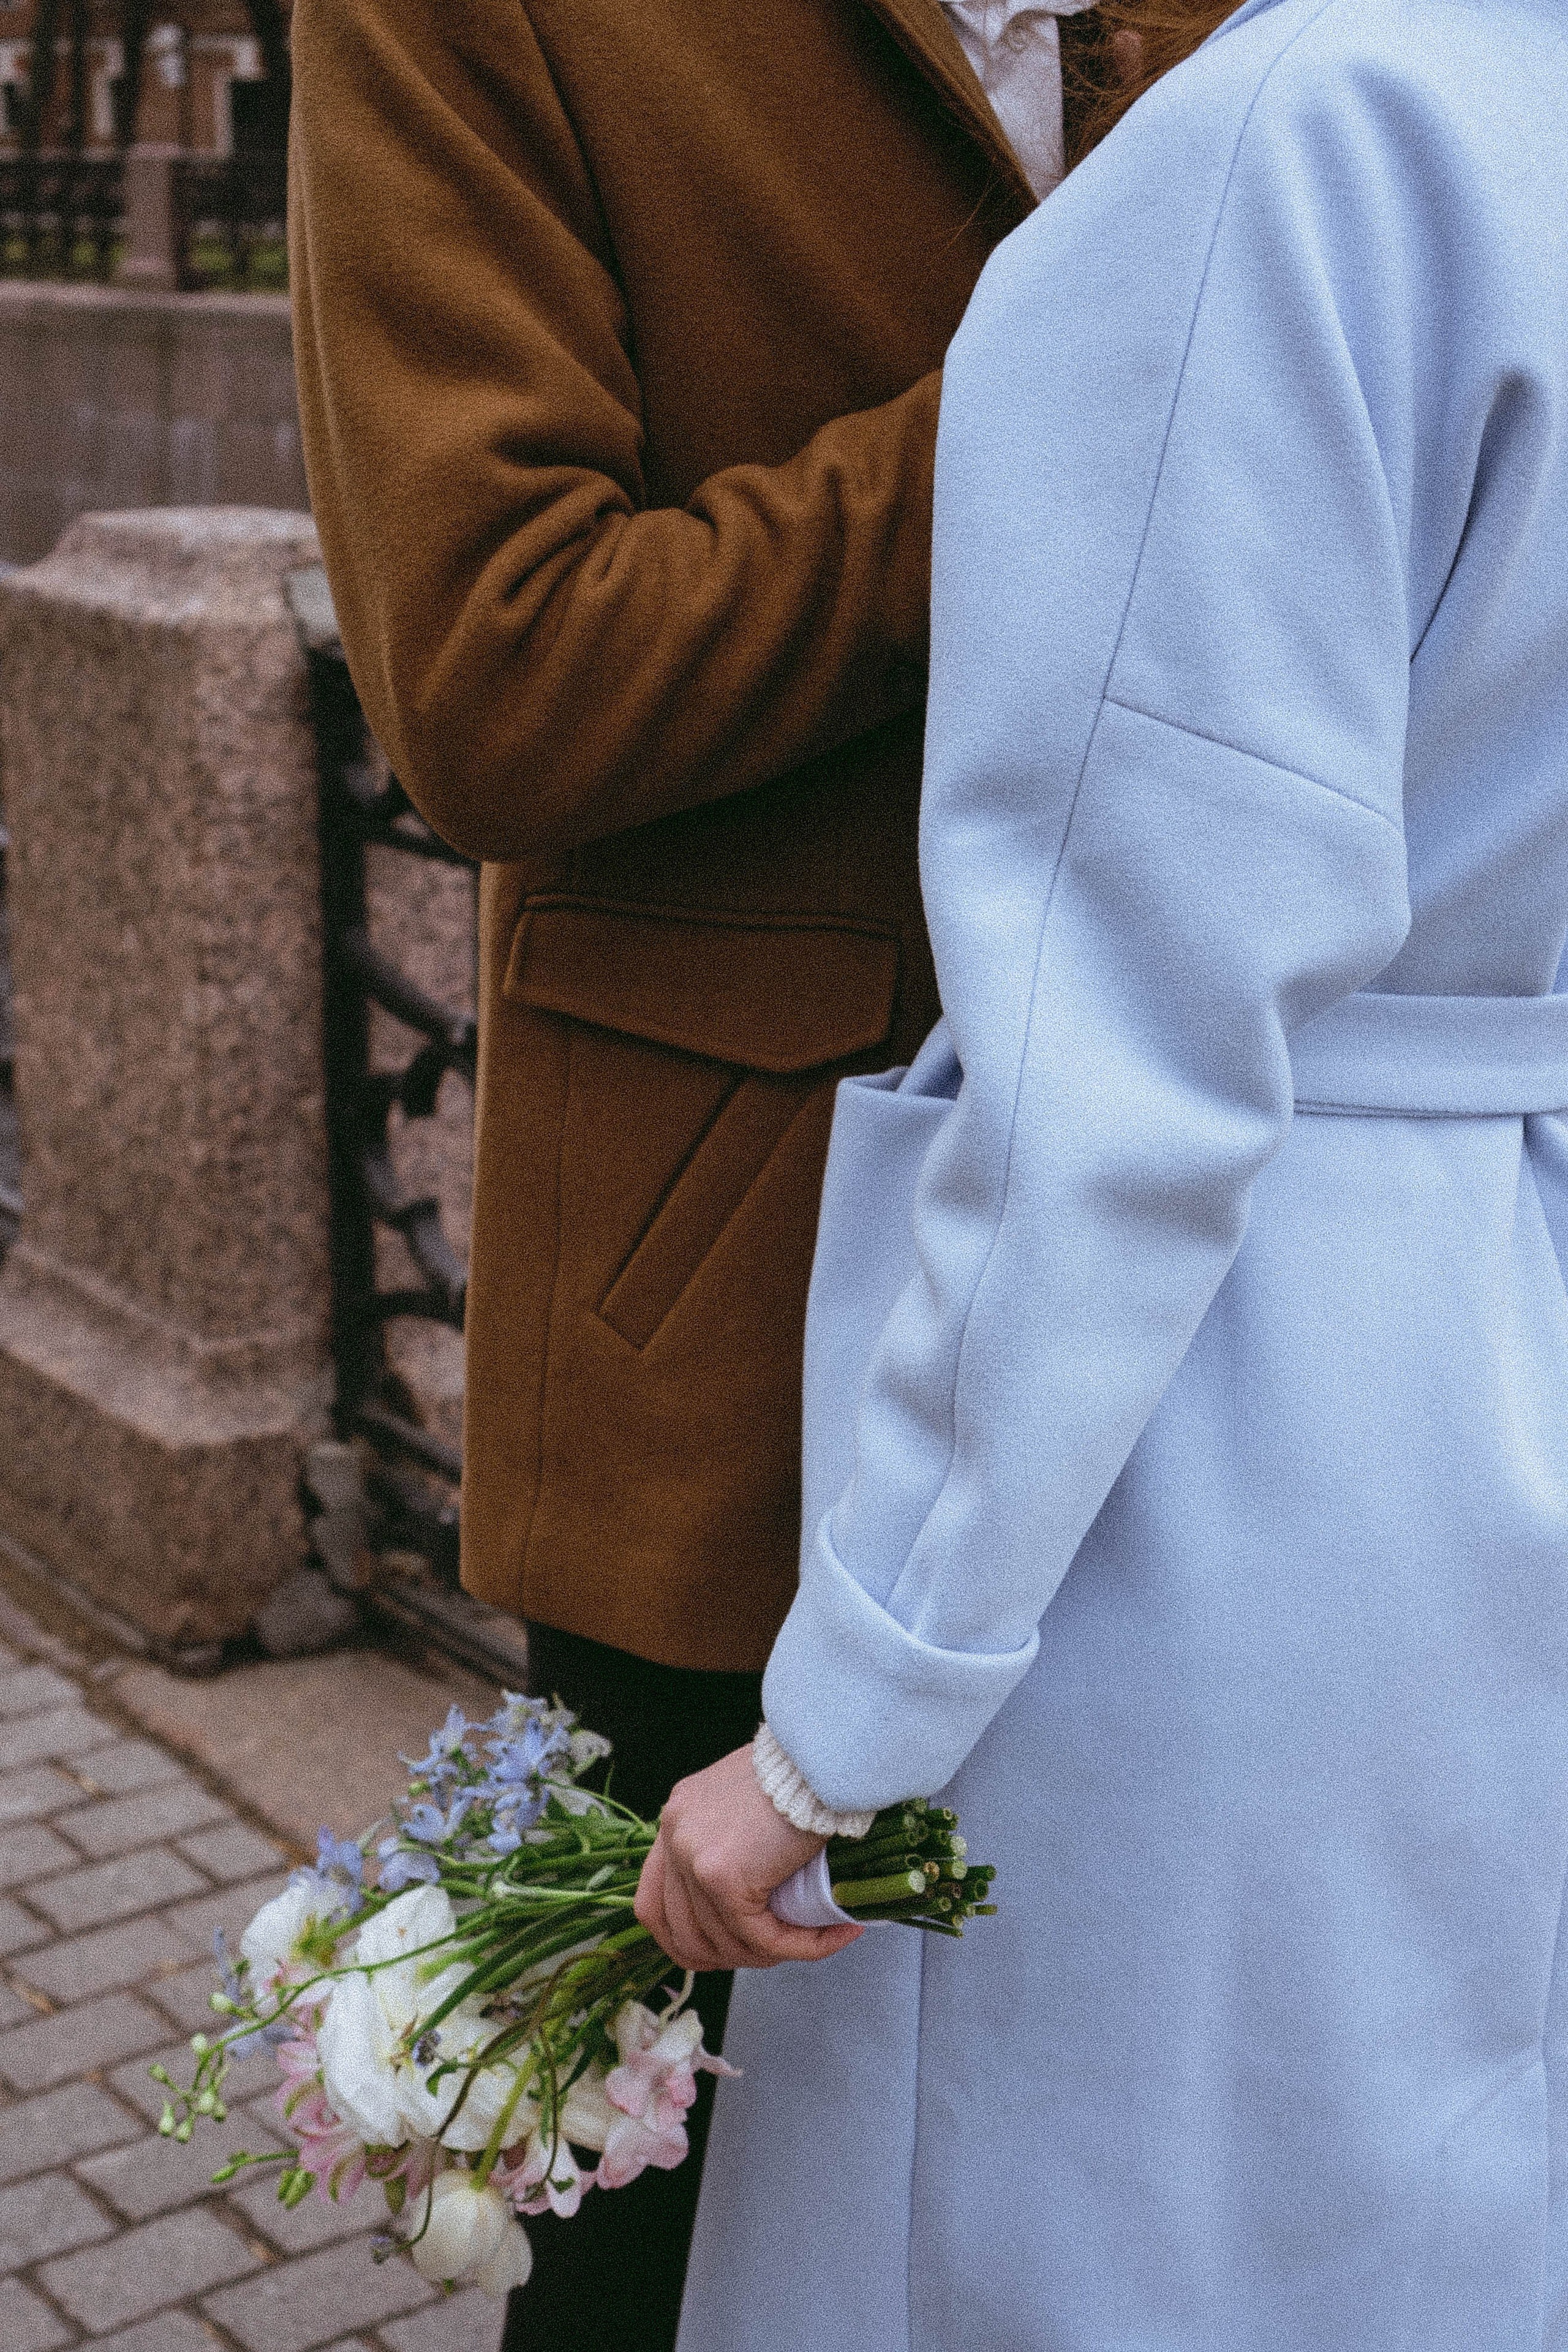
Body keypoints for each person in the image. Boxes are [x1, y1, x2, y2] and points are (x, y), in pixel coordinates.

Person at [636, 0, 1568, 2343]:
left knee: (1080, 2236)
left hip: (1253, 1423)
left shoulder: (1295, 142)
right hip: (1507, 1306)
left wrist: (841, 1725)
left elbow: (1121, 1055)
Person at [287, 0, 1136, 2340]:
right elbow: (488, 673)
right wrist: (1060, 429)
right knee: (670, 2228)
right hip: (723, 1319)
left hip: (1228, 1283)